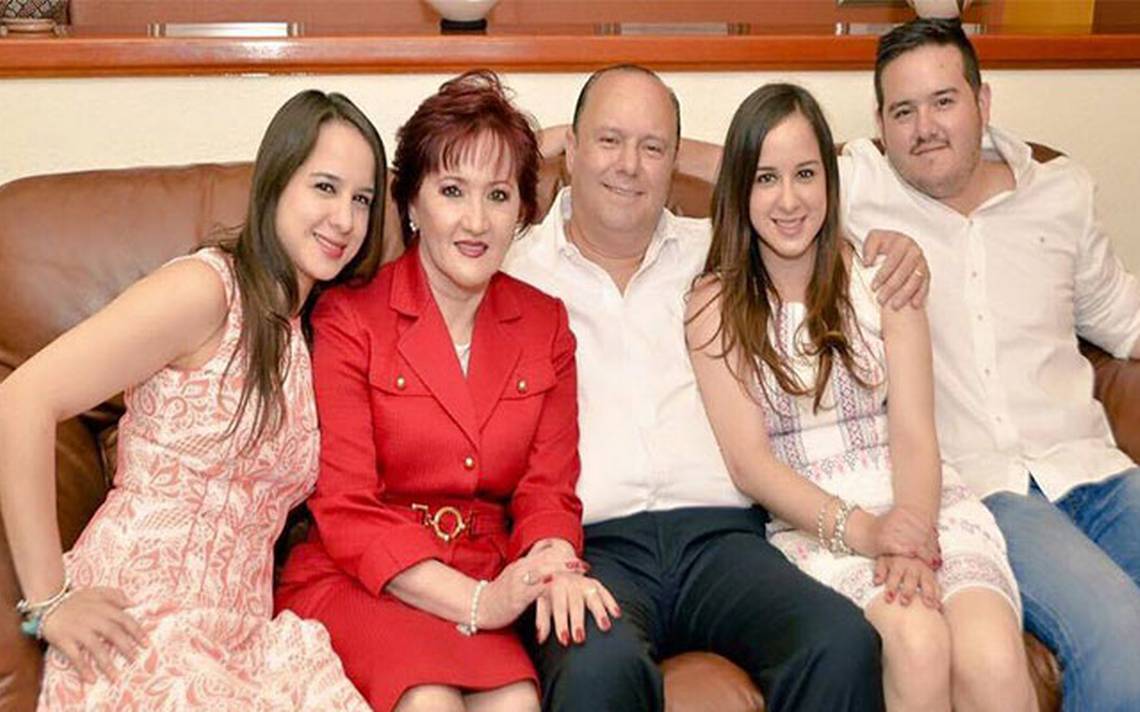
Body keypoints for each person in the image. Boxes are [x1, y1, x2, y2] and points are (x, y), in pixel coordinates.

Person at [504, 64, 928, 712]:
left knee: (839, 641)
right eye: (609, 141)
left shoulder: (721, 251)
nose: (629, 166)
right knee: (595, 669)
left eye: (653, 147)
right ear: (572, 149)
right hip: (594, 547)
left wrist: (890, 246)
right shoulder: (515, 268)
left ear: (675, 162)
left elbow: (792, 191)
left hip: (722, 542)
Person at [0, 89, 387, 710]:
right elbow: (21, 398)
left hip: (245, 634)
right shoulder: (206, 290)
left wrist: (552, 146)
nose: (344, 218)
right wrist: (48, 600)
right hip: (139, 618)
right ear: (275, 184)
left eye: (362, 199)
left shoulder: (306, 334)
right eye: (325, 187)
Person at [686, 82, 1034, 712]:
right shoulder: (714, 304)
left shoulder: (883, 276)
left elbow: (916, 430)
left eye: (805, 174)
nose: (789, 199)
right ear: (740, 189)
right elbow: (750, 465)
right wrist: (873, 534)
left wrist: (913, 530)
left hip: (920, 502)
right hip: (818, 523)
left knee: (993, 657)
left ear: (830, 180)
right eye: (765, 178)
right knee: (918, 641)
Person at [275, 71, 615, 712]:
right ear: (410, 202)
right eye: (452, 190)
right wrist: (481, 603)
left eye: (499, 195)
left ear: (522, 213)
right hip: (364, 580)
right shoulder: (350, 319)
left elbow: (548, 489)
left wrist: (552, 564)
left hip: (482, 568)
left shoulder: (544, 324)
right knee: (428, 700)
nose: (476, 221)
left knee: (517, 703)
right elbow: (346, 507)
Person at [840, 18, 1140, 710]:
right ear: (880, 125)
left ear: (983, 101)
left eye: (944, 101)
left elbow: (1122, 319)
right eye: (903, 111)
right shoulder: (855, 187)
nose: (925, 128)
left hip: (1096, 471)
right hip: (984, 493)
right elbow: (750, 169)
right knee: (1121, 641)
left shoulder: (1060, 192)